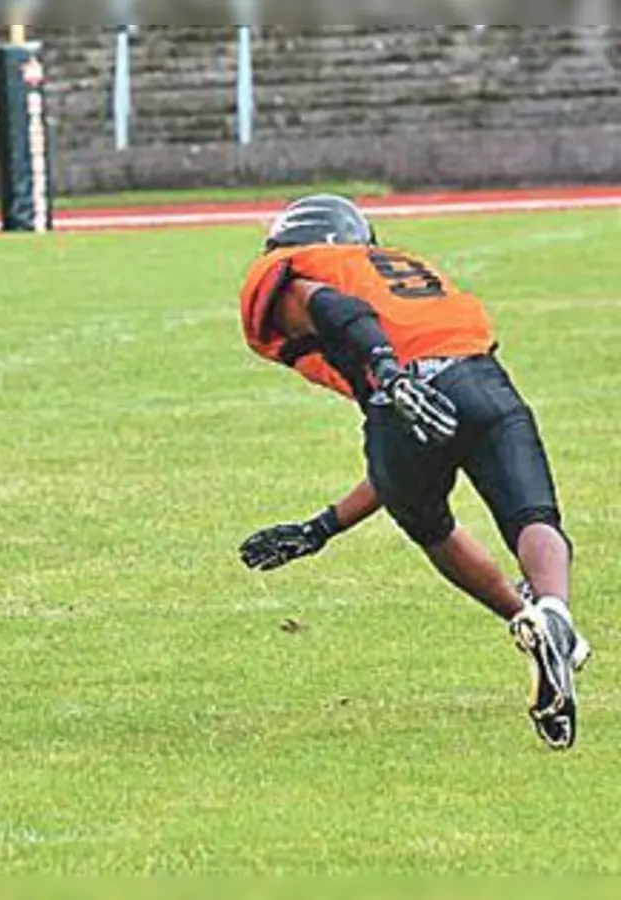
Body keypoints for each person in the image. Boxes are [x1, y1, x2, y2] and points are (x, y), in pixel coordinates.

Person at [235, 193, 589, 751]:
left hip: (401, 383)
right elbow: (394, 472)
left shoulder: (308, 273)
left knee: (430, 525)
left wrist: (387, 372)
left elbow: (336, 309)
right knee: (533, 516)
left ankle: (525, 618)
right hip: (483, 379)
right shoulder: (403, 274)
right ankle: (552, 614)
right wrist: (321, 527)